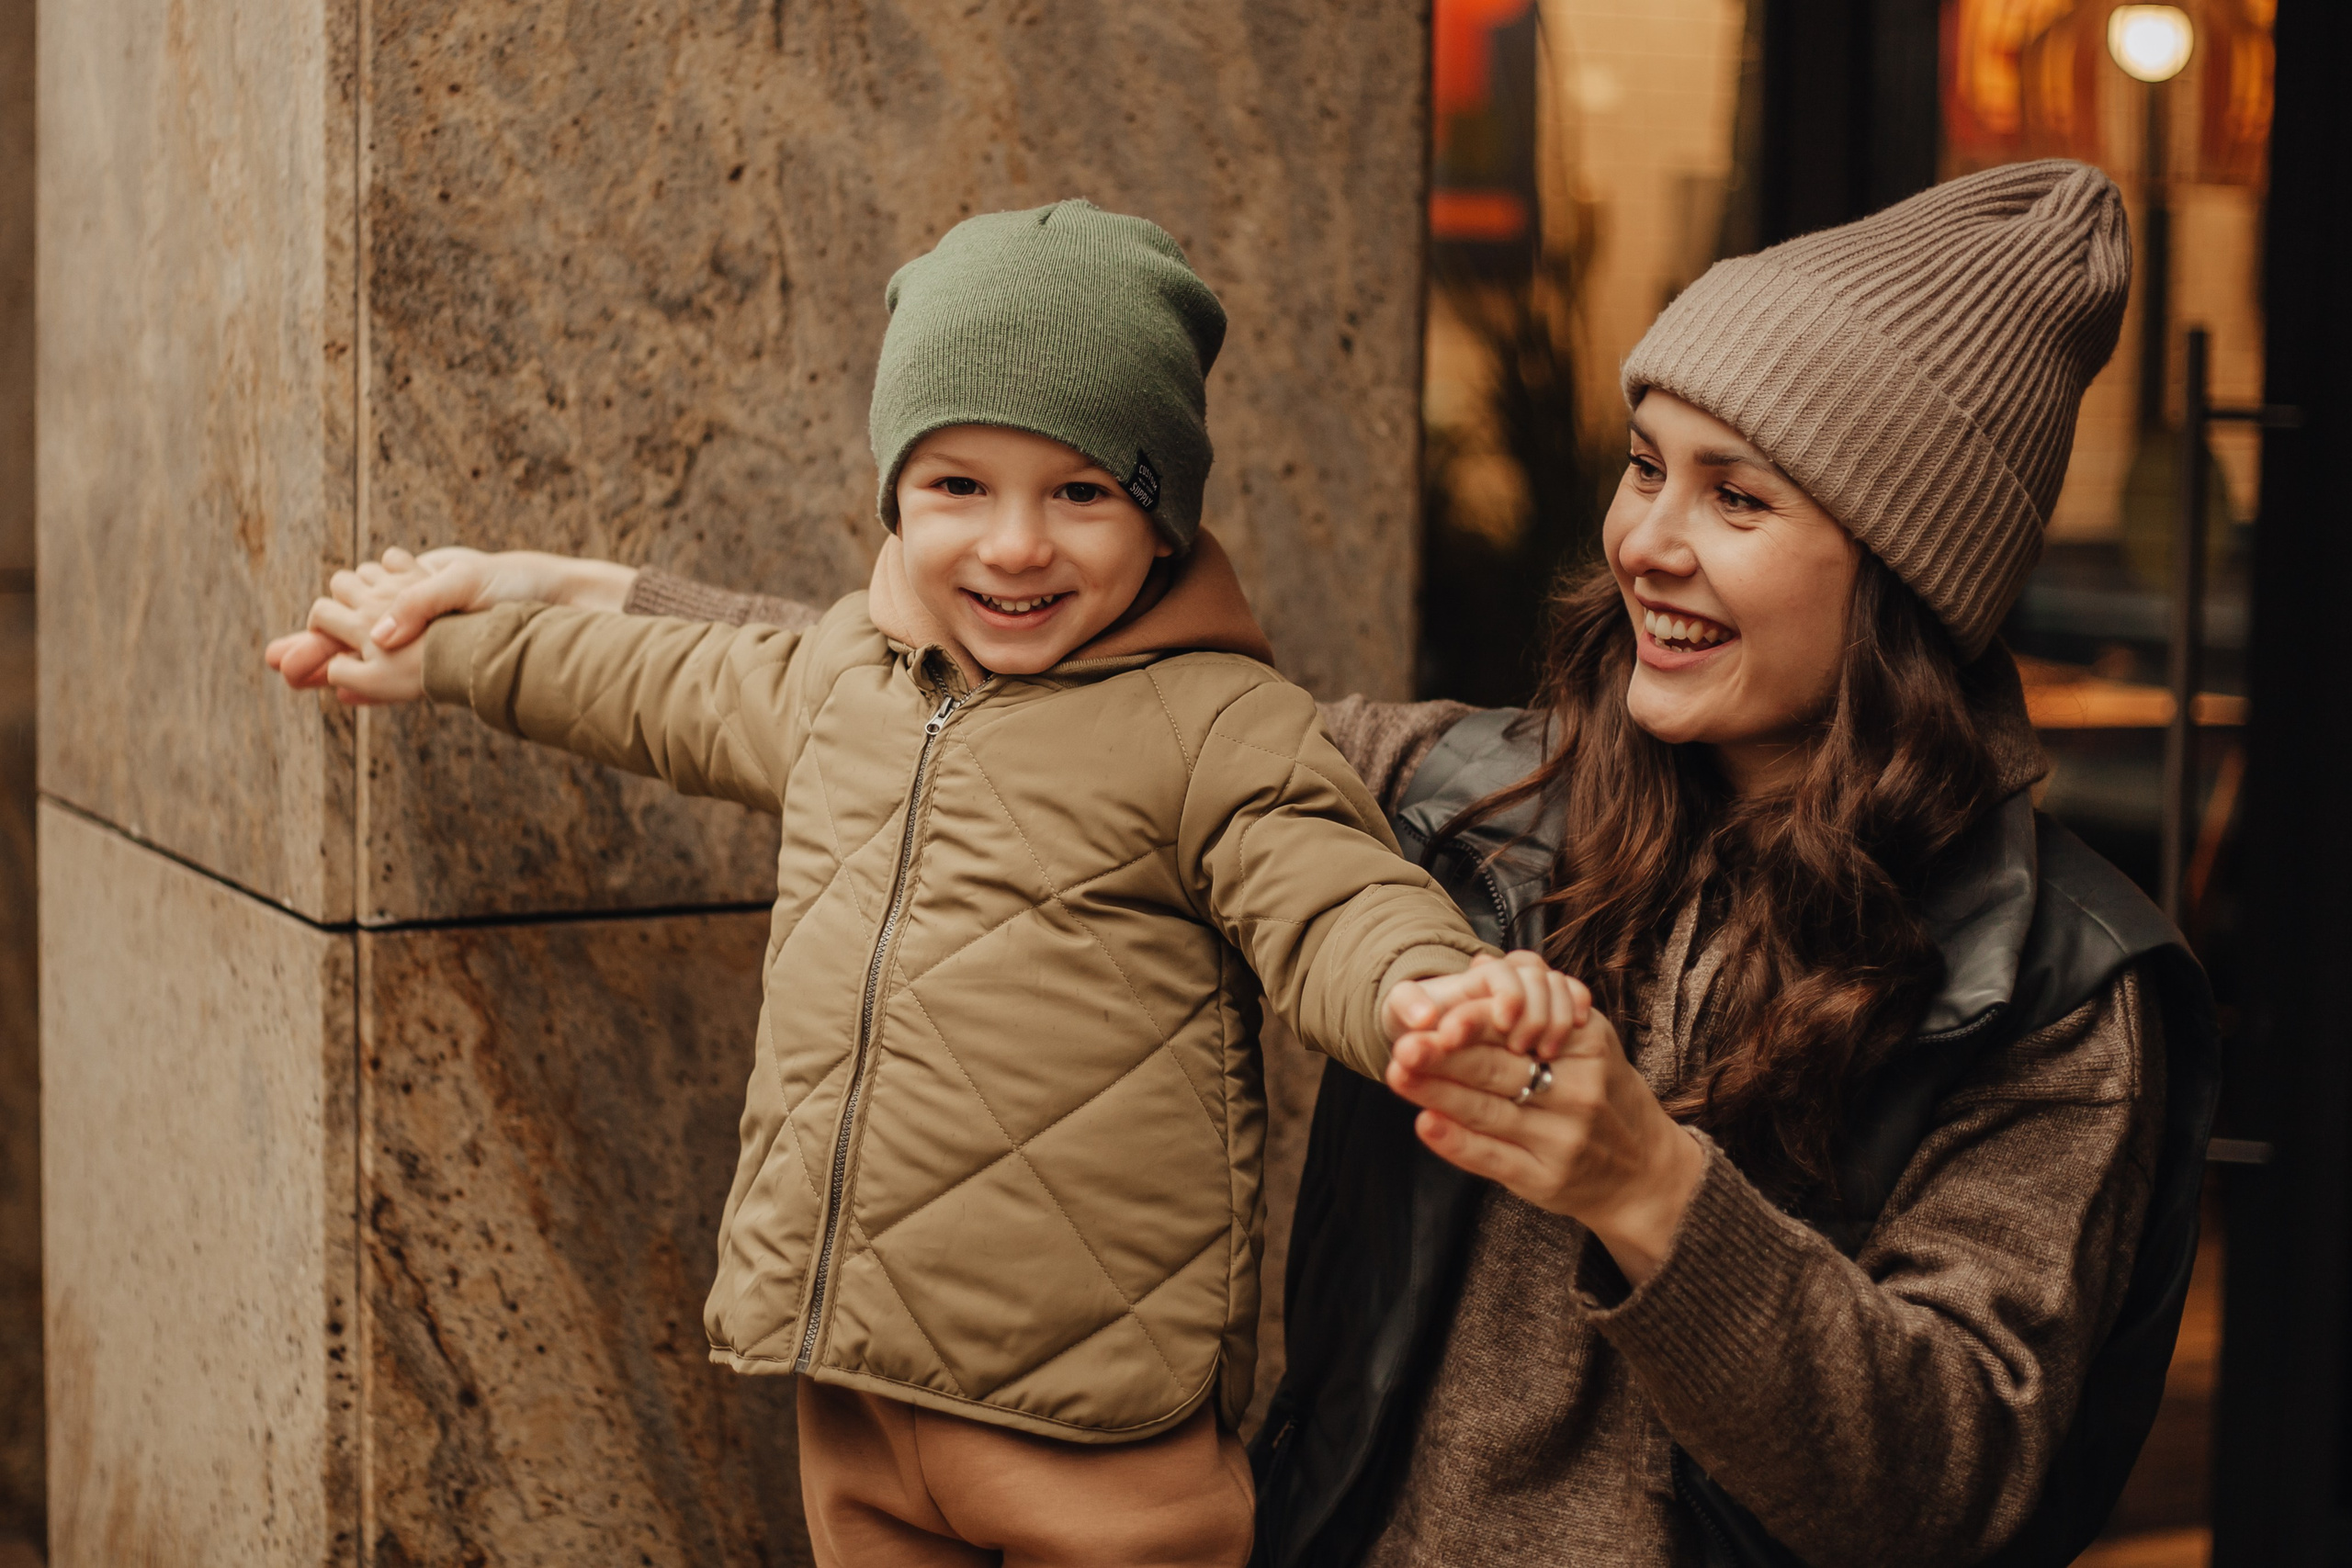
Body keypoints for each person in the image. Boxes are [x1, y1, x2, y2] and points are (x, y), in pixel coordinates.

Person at [279, 161, 2222, 1567]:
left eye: (1738, 496)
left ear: (1902, 572)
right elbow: (987, 722)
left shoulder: (2058, 992)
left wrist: (1648, 1184)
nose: (1647, 537)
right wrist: (546, 601)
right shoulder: (1481, 791)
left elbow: (1950, 1481)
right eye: (1646, 465)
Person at [268, 200, 1589, 1568]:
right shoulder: (848, 675)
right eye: (959, 485)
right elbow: (656, 680)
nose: (1015, 545)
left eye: (1082, 492)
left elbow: (1330, 895)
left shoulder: (1217, 726)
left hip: (1098, 1427)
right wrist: (445, 652)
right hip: (853, 1382)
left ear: (1163, 523)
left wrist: (1434, 991)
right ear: (894, 495)